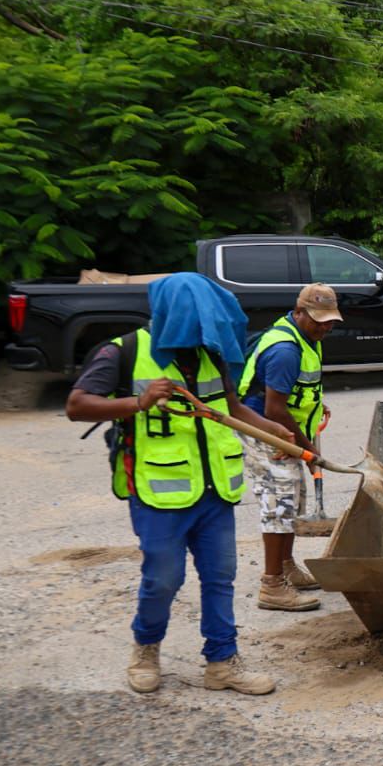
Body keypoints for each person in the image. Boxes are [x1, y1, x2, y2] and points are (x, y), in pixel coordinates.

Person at [66, 272, 294, 696]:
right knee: (163, 579)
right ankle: (146, 647)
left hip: (214, 492)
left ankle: (222, 661)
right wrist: (138, 402)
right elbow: (77, 406)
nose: (206, 333)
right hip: (159, 492)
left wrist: (273, 429)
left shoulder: (208, 356)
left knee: (220, 577)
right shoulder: (124, 351)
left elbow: (230, 408)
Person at [237, 284, 342, 611]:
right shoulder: (285, 349)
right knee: (280, 501)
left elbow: (297, 387)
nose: (324, 326)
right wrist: (309, 451)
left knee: (294, 498)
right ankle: (272, 585)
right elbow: (275, 409)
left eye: (330, 321)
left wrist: (314, 403)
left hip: (284, 429)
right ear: (298, 312)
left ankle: (285, 567)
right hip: (265, 430)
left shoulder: (308, 337)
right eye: (317, 320)